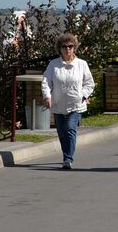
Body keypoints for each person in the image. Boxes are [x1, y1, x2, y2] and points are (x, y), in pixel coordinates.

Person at [40, 33, 96, 170]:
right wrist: (47, 96)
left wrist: (82, 95)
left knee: (70, 129)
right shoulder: (53, 65)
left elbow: (89, 83)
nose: (67, 49)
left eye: (70, 46)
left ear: (74, 48)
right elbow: (46, 82)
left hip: (75, 104)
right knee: (62, 132)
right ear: (60, 49)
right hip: (58, 104)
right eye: (64, 47)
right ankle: (66, 154)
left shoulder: (82, 64)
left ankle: (67, 158)